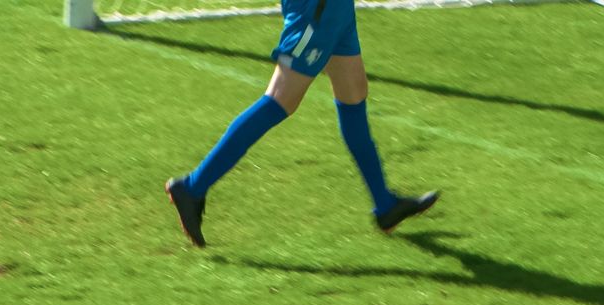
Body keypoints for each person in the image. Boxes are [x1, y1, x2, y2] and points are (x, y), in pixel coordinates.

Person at [162, 0, 439, 249]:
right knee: (280, 100)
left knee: (353, 91)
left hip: (334, 9)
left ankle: (385, 205)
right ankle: (193, 186)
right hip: (317, 9)